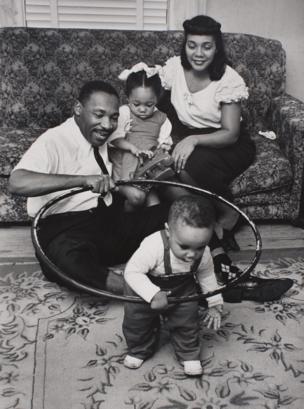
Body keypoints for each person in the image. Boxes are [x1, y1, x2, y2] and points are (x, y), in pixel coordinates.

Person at [155, 14, 293, 300]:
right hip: (189, 138)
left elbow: (230, 133)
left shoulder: (228, 78)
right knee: (165, 177)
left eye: (206, 46)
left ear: (217, 48)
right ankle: (222, 261)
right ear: (185, 46)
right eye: (192, 45)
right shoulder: (174, 70)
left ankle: (227, 214)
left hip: (227, 143)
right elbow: (161, 110)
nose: (199, 53)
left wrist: (192, 140)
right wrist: (166, 141)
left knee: (190, 165)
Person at [8, 80, 170, 291]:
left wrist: (124, 188)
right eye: (99, 114)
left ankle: (214, 260)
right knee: (69, 262)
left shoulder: (102, 136)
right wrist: (83, 180)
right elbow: (17, 182)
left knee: (177, 212)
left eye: (113, 118)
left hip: (106, 222)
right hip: (63, 229)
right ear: (78, 109)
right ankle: (136, 290)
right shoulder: (53, 140)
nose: (107, 125)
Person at [123, 195, 223, 376]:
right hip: (145, 285)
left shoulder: (204, 254)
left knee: (187, 321)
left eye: (199, 247)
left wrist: (214, 303)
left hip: (181, 288)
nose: (192, 255)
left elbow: (206, 274)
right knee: (137, 321)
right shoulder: (153, 246)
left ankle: (188, 353)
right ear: (168, 231)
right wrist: (153, 294)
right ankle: (139, 349)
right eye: (184, 246)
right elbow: (132, 272)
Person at [109, 63, 173, 211]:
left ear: (157, 98)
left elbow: (163, 143)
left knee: (154, 204)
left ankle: (148, 231)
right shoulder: (124, 113)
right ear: (128, 98)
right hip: (125, 164)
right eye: (136, 104)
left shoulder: (162, 118)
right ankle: (126, 221)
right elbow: (114, 140)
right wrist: (133, 148)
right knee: (137, 199)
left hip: (146, 167)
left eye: (149, 104)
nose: (142, 109)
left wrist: (162, 149)